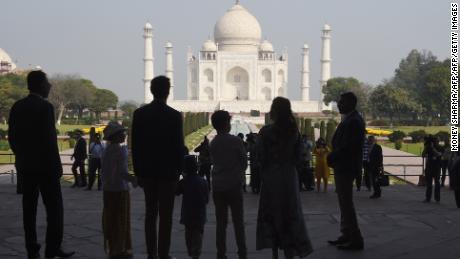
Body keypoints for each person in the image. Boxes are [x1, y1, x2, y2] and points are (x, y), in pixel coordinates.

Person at [8, 70, 74, 259]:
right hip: (46, 168)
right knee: (54, 210)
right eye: (47, 83)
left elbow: (13, 138)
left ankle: (32, 249)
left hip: (26, 168)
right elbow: (49, 141)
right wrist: (57, 167)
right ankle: (52, 248)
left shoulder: (17, 106)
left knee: (29, 211)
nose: (50, 86)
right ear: (40, 85)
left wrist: (22, 158)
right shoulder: (45, 108)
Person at [131, 76, 185, 259]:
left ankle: (151, 254)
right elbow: (179, 147)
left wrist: (138, 172)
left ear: (151, 90)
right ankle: (163, 254)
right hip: (168, 174)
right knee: (166, 216)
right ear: (168, 91)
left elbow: (135, 146)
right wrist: (179, 172)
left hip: (147, 173)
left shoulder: (139, 114)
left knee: (150, 213)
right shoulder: (174, 116)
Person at [256, 97, 313, 259]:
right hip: (289, 176)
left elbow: (260, 157)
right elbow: (300, 157)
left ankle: (275, 253)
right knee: (290, 212)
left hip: (271, 177)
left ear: (273, 111)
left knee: (272, 213)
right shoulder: (293, 131)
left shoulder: (266, 132)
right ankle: (290, 253)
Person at [327, 92, 365, 250]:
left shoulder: (354, 121)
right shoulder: (350, 119)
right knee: (344, 203)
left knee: (347, 204)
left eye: (342, 102)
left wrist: (333, 156)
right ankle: (346, 233)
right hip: (343, 165)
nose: (339, 105)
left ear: (350, 103)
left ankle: (356, 239)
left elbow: (349, 147)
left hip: (346, 166)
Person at [209, 110, 248, 259]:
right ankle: (242, 253)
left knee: (221, 223)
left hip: (218, 186)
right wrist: (238, 172)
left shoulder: (214, 142)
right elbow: (244, 162)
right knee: (238, 221)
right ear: (227, 124)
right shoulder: (235, 141)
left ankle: (221, 253)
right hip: (234, 185)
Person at [101, 121, 137, 259]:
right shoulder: (118, 150)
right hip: (119, 190)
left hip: (108, 189)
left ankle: (114, 246)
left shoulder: (108, 149)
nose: (124, 134)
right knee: (121, 219)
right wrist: (134, 180)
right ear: (116, 136)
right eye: (122, 133)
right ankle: (121, 247)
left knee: (111, 218)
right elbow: (122, 172)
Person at [176, 155, 209, 259]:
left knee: (189, 236)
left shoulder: (184, 182)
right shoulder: (203, 182)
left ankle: (191, 253)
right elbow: (206, 199)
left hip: (187, 215)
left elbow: (176, 191)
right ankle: (196, 254)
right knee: (198, 235)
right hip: (200, 215)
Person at [422, 135, 442, 203]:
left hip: (436, 168)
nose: (436, 142)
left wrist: (433, 148)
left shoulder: (440, 148)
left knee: (437, 183)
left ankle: (437, 198)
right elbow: (423, 155)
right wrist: (426, 147)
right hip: (429, 168)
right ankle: (428, 198)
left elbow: (438, 155)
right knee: (429, 184)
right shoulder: (428, 147)